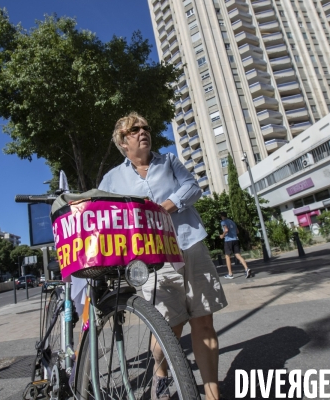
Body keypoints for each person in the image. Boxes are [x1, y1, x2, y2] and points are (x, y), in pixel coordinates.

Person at [98, 112, 227, 400]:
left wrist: (165, 207)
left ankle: (212, 394)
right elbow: (102, 214)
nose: (143, 131)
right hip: (153, 257)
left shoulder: (168, 161)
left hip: (190, 243)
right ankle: (161, 371)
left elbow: (192, 187)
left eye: (146, 127)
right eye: (135, 129)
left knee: (204, 321)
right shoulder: (112, 179)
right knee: (169, 327)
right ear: (123, 140)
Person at [219, 212, 253, 279]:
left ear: (221, 216)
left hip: (228, 240)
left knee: (227, 256)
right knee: (238, 255)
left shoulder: (223, 222)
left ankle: (230, 274)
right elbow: (237, 231)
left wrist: (222, 236)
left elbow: (226, 230)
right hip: (235, 239)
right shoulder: (232, 222)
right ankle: (246, 268)